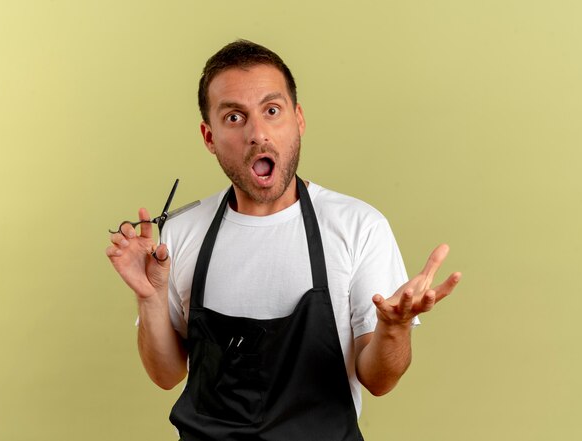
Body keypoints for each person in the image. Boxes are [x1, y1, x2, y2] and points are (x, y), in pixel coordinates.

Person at [106, 39, 461, 440]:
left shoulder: (358, 226)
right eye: (235, 118)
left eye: (271, 111)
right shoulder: (182, 234)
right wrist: (149, 297)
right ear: (209, 137)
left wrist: (393, 329)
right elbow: (166, 374)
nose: (258, 133)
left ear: (299, 120)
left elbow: (379, 380)